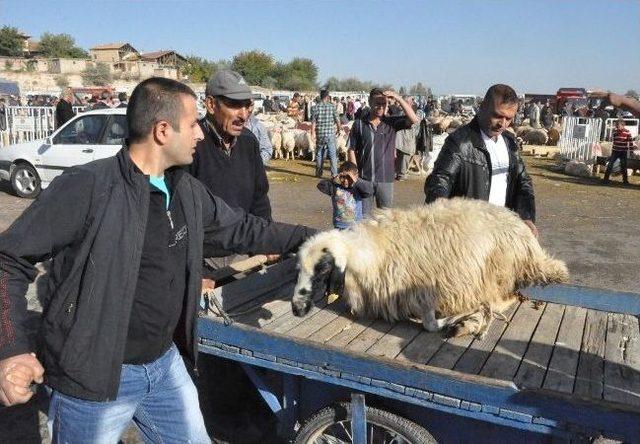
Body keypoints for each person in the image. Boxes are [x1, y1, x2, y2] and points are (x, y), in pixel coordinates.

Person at [0, 77, 313, 442]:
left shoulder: (185, 191)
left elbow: (244, 229)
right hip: (94, 375)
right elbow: (8, 259)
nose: (199, 134)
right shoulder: (87, 187)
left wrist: (316, 239)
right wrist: (13, 349)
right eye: (194, 124)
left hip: (164, 365)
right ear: (163, 131)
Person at [424, 84, 537, 236]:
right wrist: (441, 208)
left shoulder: (510, 143)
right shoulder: (460, 142)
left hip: (503, 233)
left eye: (508, 118)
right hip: (469, 235)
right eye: (497, 115)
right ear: (483, 106)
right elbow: (440, 180)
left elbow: (523, 182)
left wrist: (526, 216)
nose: (502, 124)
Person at [348, 88, 419, 216]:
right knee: (364, 220)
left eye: (384, 104)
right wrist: (354, 174)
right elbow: (352, 149)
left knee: (385, 220)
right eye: (377, 103)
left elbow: (414, 119)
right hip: (364, 179)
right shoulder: (359, 124)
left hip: (385, 180)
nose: (380, 107)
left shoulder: (391, 123)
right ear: (369, 102)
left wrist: (397, 98)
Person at [317, 161, 374, 229]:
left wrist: (356, 180)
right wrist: (334, 179)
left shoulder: (358, 187)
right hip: (339, 226)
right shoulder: (335, 187)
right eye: (343, 177)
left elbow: (369, 191)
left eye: (349, 178)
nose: (345, 181)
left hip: (356, 226)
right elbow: (320, 185)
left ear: (355, 176)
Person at [311, 89, 341, 178]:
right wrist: (339, 129)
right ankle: (334, 174)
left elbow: (313, 122)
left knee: (319, 153)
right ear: (327, 97)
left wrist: (313, 133)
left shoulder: (315, 107)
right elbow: (337, 120)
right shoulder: (332, 107)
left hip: (320, 134)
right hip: (330, 134)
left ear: (320, 97)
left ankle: (319, 173)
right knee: (332, 154)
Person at [602, 119, 634, 185]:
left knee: (623, 166)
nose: (617, 127)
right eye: (616, 125)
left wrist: (631, 151)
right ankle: (605, 179)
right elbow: (614, 140)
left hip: (623, 152)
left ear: (623, 125)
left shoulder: (627, 132)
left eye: (618, 125)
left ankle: (625, 180)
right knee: (610, 165)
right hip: (615, 151)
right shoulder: (615, 132)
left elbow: (630, 142)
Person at [245, 94, 274, 165]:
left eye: (251, 105)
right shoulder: (231, 125)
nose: (249, 109)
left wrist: (255, 163)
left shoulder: (258, 126)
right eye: (246, 105)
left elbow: (267, 149)